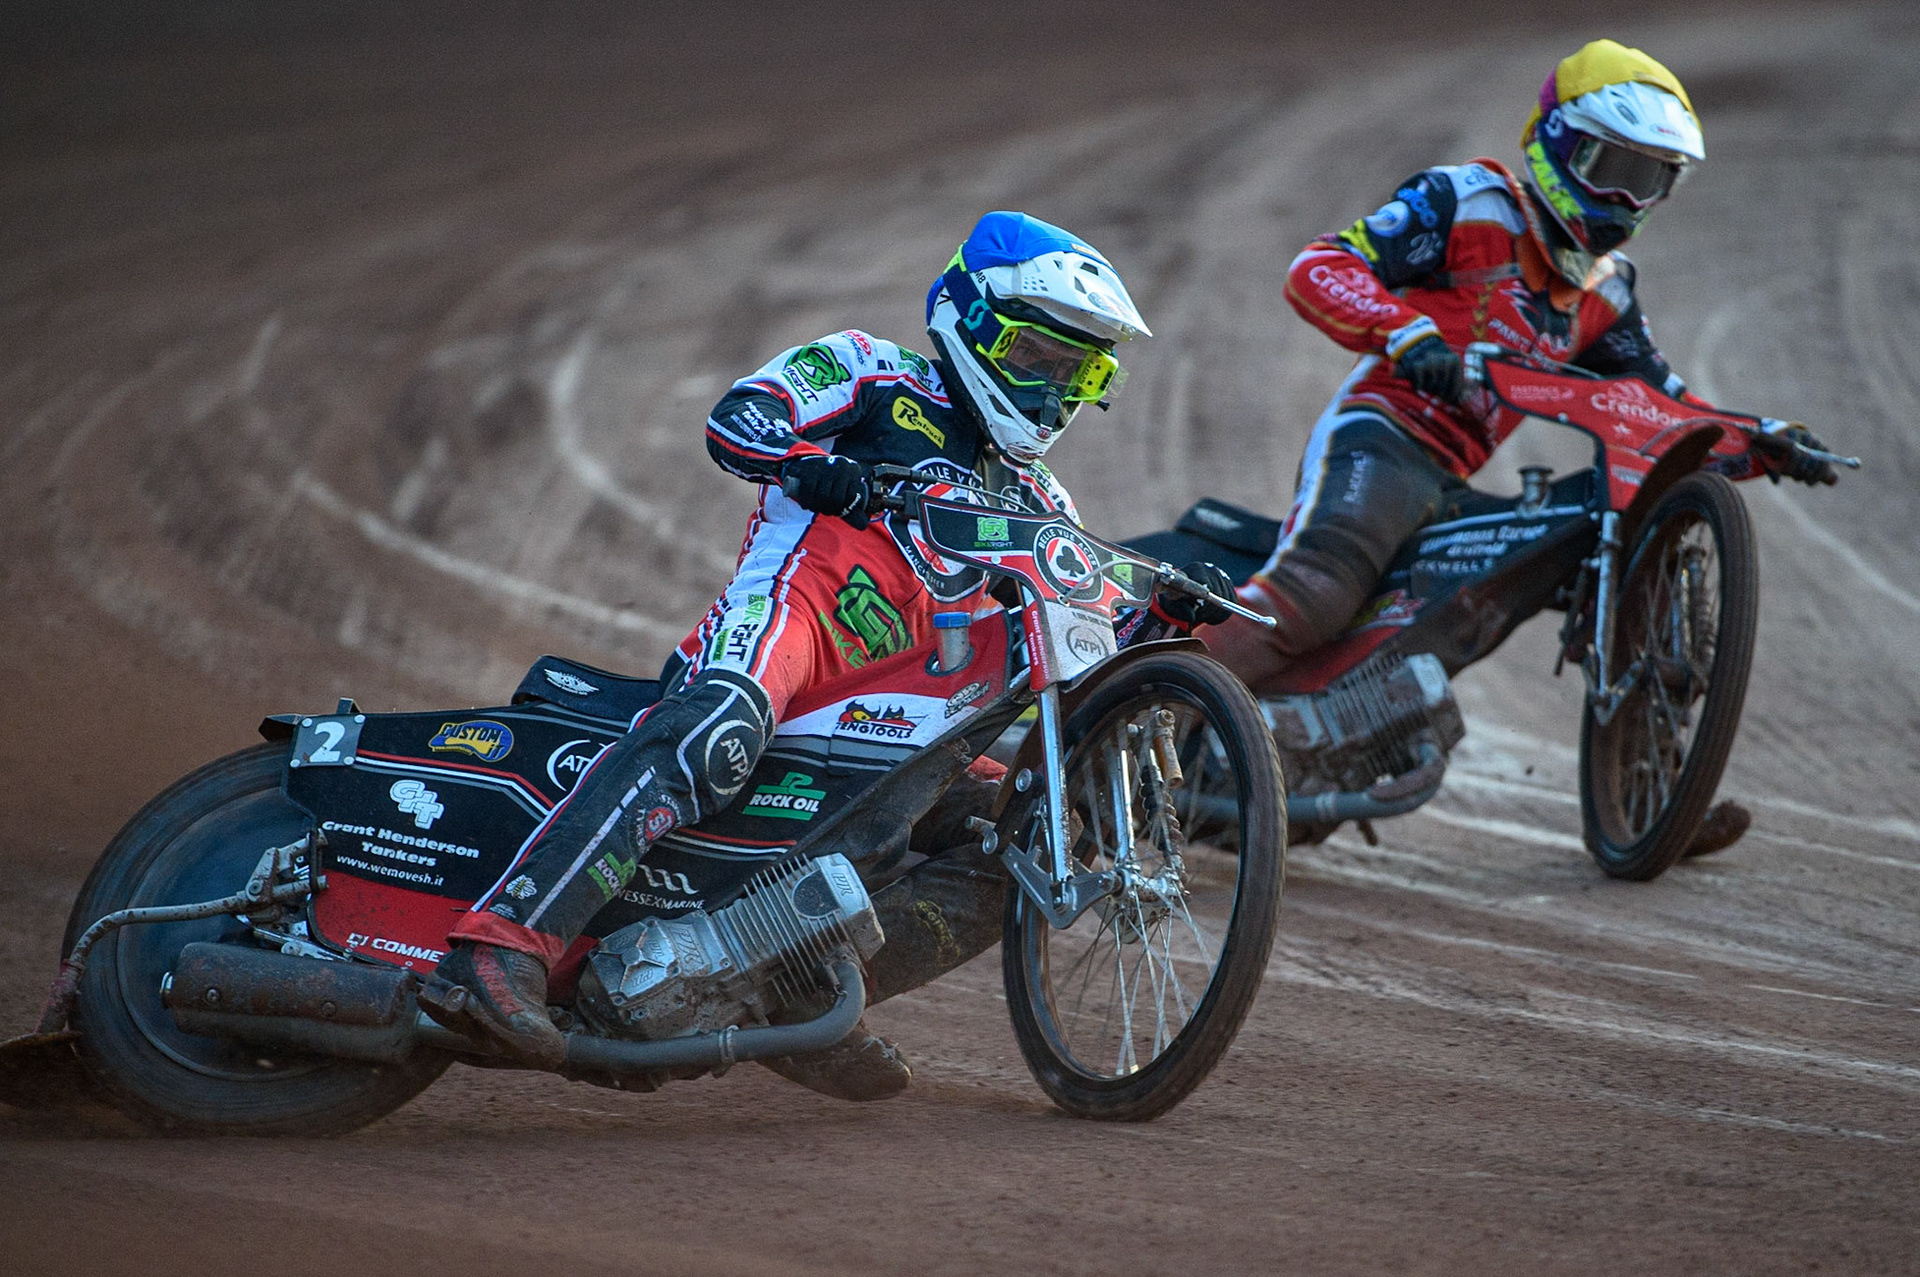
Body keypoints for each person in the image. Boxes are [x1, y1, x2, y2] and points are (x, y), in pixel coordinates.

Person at [426, 211, 1231, 1097]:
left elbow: (1083, 629)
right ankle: (498, 949)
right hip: (792, 621)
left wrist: (1155, 617)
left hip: (896, 714)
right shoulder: (870, 371)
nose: (1054, 390)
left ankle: (793, 1003)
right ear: (970, 321)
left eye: (1080, 371)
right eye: (1039, 359)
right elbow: (738, 419)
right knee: (717, 732)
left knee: (1026, 843)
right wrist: (810, 462)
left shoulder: (1043, 497)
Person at [1203, 39, 1836, 693]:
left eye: (1647, 180)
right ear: (1560, 145)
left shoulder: (1606, 292)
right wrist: (1407, 335)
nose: (1624, 199)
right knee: (1317, 593)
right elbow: (1319, 267)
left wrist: (1765, 440)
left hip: (1454, 481)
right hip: (1384, 435)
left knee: (1501, 584)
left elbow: (1665, 414)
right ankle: (1143, 700)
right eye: (1611, 166)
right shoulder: (1466, 202)